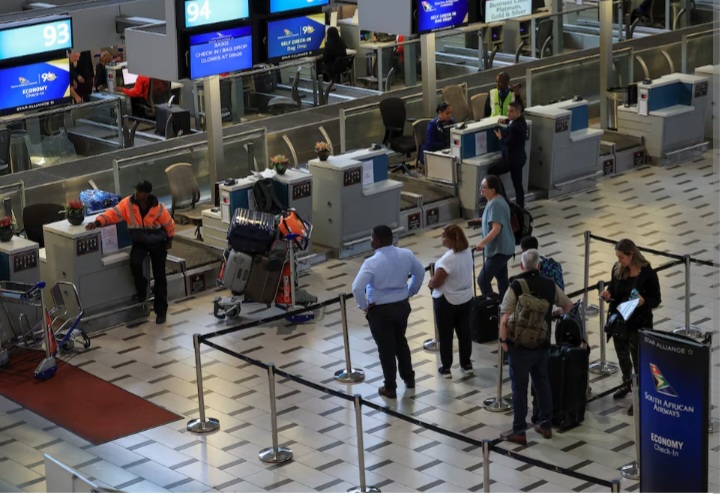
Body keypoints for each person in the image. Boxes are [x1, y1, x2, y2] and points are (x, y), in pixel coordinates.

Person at [499, 249, 574, 445]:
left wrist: (503, 342)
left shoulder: (516, 286)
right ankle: (545, 424)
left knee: (519, 388)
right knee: (542, 383)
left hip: (519, 347)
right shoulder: (550, 284)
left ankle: (519, 431)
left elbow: (505, 317)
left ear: (522, 265)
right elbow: (568, 305)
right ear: (539, 266)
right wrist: (554, 313)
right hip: (542, 345)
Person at [351, 225, 425, 399]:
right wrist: (410, 292)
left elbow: (357, 287)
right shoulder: (406, 254)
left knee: (386, 349)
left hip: (380, 311)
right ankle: (409, 378)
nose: (370, 241)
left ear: (378, 241)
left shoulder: (371, 262)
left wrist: (363, 306)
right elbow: (420, 272)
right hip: (401, 306)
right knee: (400, 341)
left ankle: (390, 387)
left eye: (372, 238)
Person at [86, 181, 175, 324]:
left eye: (140, 191)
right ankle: (143, 289)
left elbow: (169, 224)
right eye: (137, 190)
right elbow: (112, 214)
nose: (136, 194)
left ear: (146, 194)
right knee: (135, 263)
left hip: (157, 242)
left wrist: (170, 239)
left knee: (160, 276)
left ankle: (161, 311)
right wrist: (98, 222)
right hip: (140, 241)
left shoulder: (158, 207)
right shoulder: (128, 203)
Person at [600, 238, 661, 416]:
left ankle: (640, 394)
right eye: (617, 257)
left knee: (638, 360)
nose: (619, 260)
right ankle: (627, 383)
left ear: (631, 255)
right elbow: (613, 287)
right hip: (620, 321)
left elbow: (656, 299)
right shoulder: (618, 269)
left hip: (638, 323)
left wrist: (643, 302)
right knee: (622, 356)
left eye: (621, 257)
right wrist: (608, 293)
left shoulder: (647, 273)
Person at [428, 225, 474, 378]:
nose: (442, 240)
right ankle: (466, 364)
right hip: (466, 298)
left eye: (444, 237)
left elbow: (437, 281)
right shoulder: (467, 252)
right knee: (465, 333)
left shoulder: (447, 259)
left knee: (446, 334)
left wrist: (431, 283)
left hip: (447, 301)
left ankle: (446, 367)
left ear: (453, 239)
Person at [473, 175, 515, 299]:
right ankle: (505, 305)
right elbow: (494, 219)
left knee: (482, 280)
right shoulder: (496, 200)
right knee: (502, 280)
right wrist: (481, 220)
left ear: (493, 189)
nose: (481, 190)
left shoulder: (495, 203)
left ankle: (492, 304)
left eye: (484, 187)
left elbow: (496, 229)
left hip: (499, 250)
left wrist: (482, 243)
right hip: (504, 248)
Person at [489, 101, 528, 207]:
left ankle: (503, 198)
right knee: (517, 183)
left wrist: (500, 137)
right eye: (508, 111)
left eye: (511, 111)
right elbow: (510, 123)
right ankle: (520, 205)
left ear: (518, 112)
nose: (508, 113)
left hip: (512, 160)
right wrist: (505, 121)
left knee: (492, 171)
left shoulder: (516, 127)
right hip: (519, 158)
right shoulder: (519, 121)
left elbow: (508, 141)